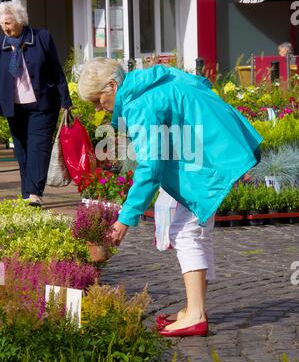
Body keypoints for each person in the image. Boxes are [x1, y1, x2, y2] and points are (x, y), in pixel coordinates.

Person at [78, 58, 263, 337]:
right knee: (195, 231)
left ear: (113, 86)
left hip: (203, 159)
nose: (99, 108)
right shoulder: (152, 82)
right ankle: (193, 309)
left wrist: (125, 219)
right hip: (211, 149)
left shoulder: (139, 104)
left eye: (98, 100)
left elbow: (150, 168)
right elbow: (200, 86)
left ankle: (196, 315)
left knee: (186, 232)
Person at [0, 0, 72, 207]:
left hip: (42, 104)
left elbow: (56, 70)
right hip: (14, 106)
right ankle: (26, 193)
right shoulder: (2, 45)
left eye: (9, 23)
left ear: (20, 20)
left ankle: (35, 192)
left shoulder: (41, 38)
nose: (5, 28)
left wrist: (65, 99)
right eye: (2, 24)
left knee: (38, 147)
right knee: (22, 149)